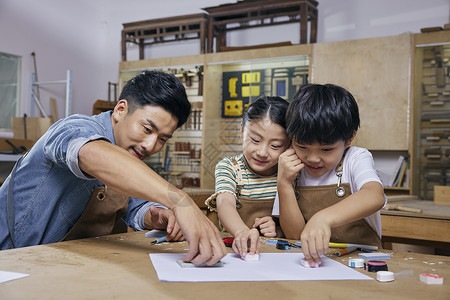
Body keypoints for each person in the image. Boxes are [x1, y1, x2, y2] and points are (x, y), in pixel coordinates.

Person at [0, 70, 226, 265]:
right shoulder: (74, 127)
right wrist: (178, 200)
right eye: (147, 129)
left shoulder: (129, 156)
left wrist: (157, 216)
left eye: (163, 139)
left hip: (60, 265)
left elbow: (134, 207)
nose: (150, 145)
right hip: (12, 262)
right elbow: (91, 154)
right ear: (120, 109)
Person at [274, 83, 386, 267]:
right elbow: (295, 237)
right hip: (315, 265)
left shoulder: (355, 158)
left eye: (326, 149)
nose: (313, 158)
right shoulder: (290, 166)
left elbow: (375, 196)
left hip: (363, 265)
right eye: (302, 146)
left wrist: (323, 218)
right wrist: (284, 184)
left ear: (349, 138)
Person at [205, 96, 289, 258]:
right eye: (255, 140)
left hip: (275, 255)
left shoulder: (290, 172)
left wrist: (278, 229)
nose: (262, 152)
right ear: (242, 130)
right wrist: (242, 232)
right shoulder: (230, 167)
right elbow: (225, 203)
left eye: (275, 146)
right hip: (236, 252)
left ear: (289, 144)